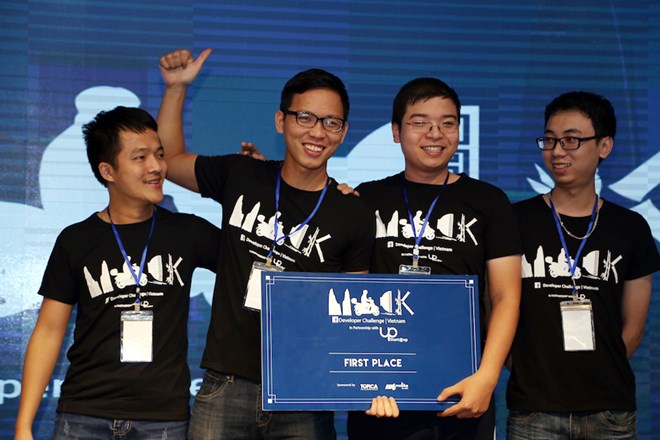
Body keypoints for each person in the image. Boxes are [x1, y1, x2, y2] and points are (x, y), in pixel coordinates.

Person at [157, 49, 375, 439]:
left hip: (303, 394)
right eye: (304, 117)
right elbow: (169, 159)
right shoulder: (242, 174)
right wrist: (176, 89)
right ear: (281, 120)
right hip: (225, 384)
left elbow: (355, 314)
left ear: (343, 132)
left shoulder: (353, 213)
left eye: (331, 122)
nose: (317, 132)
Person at [14, 106, 221, 440]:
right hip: (83, 417)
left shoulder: (189, 232)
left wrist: (249, 184)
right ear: (107, 171)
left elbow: (251, 263)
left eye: (159, 155)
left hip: (163, 421)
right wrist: (23, 425)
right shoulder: (76, 240)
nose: (156, 167)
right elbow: (49, 331)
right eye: (140, 157)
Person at [336, 77, 521, 439]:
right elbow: (348, 294)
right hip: (383, 393)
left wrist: (487, 378)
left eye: (447, 123)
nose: (435, 133)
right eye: (420, 122)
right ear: (396, 131)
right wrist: (363, 379)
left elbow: (505, 297)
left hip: (464, 389)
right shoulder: (366, 199)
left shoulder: (489, 201)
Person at [506, 91, 659, 439]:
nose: (557, 151)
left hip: (610, 410)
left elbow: (633, 328)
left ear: (604, 146)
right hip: (534, 409)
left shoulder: (631, 227)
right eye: (549, 139)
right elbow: (494, 307)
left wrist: (597, 371)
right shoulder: (514, 221)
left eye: (571, 140)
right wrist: (529, 372)